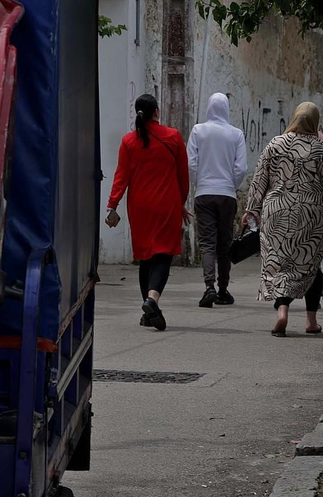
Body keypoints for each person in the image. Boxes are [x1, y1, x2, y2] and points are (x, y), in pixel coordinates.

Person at [243, 101, 323, 337]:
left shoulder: (275, 144)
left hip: (276, 213)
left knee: (279, 265)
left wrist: (251, 210)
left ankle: (282, 312)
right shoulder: (321, 150)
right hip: (312, 216)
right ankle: (311, 322)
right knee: (310, 266)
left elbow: (259, 181)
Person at [106, 93, 189, 331]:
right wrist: (181, 202)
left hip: (139, 206)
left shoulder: (129, 141)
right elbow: (183, 177)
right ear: (156, 112)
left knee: (146, 256)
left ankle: (148, 313)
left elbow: (121, 177)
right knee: (163, 254)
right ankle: (152, 299)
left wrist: (112, 205)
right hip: (167, 203)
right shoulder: (173, 137)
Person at [187, 92, 248, 308]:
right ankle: (223, 289)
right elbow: (241, 168)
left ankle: (209, 286)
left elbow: (191, 163)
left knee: (207, 243)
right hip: (227, 194)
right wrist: (231, 185)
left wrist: (199, 183)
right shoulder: (236, 134)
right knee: (225, 243)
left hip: (204, 193)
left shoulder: (198, 130)